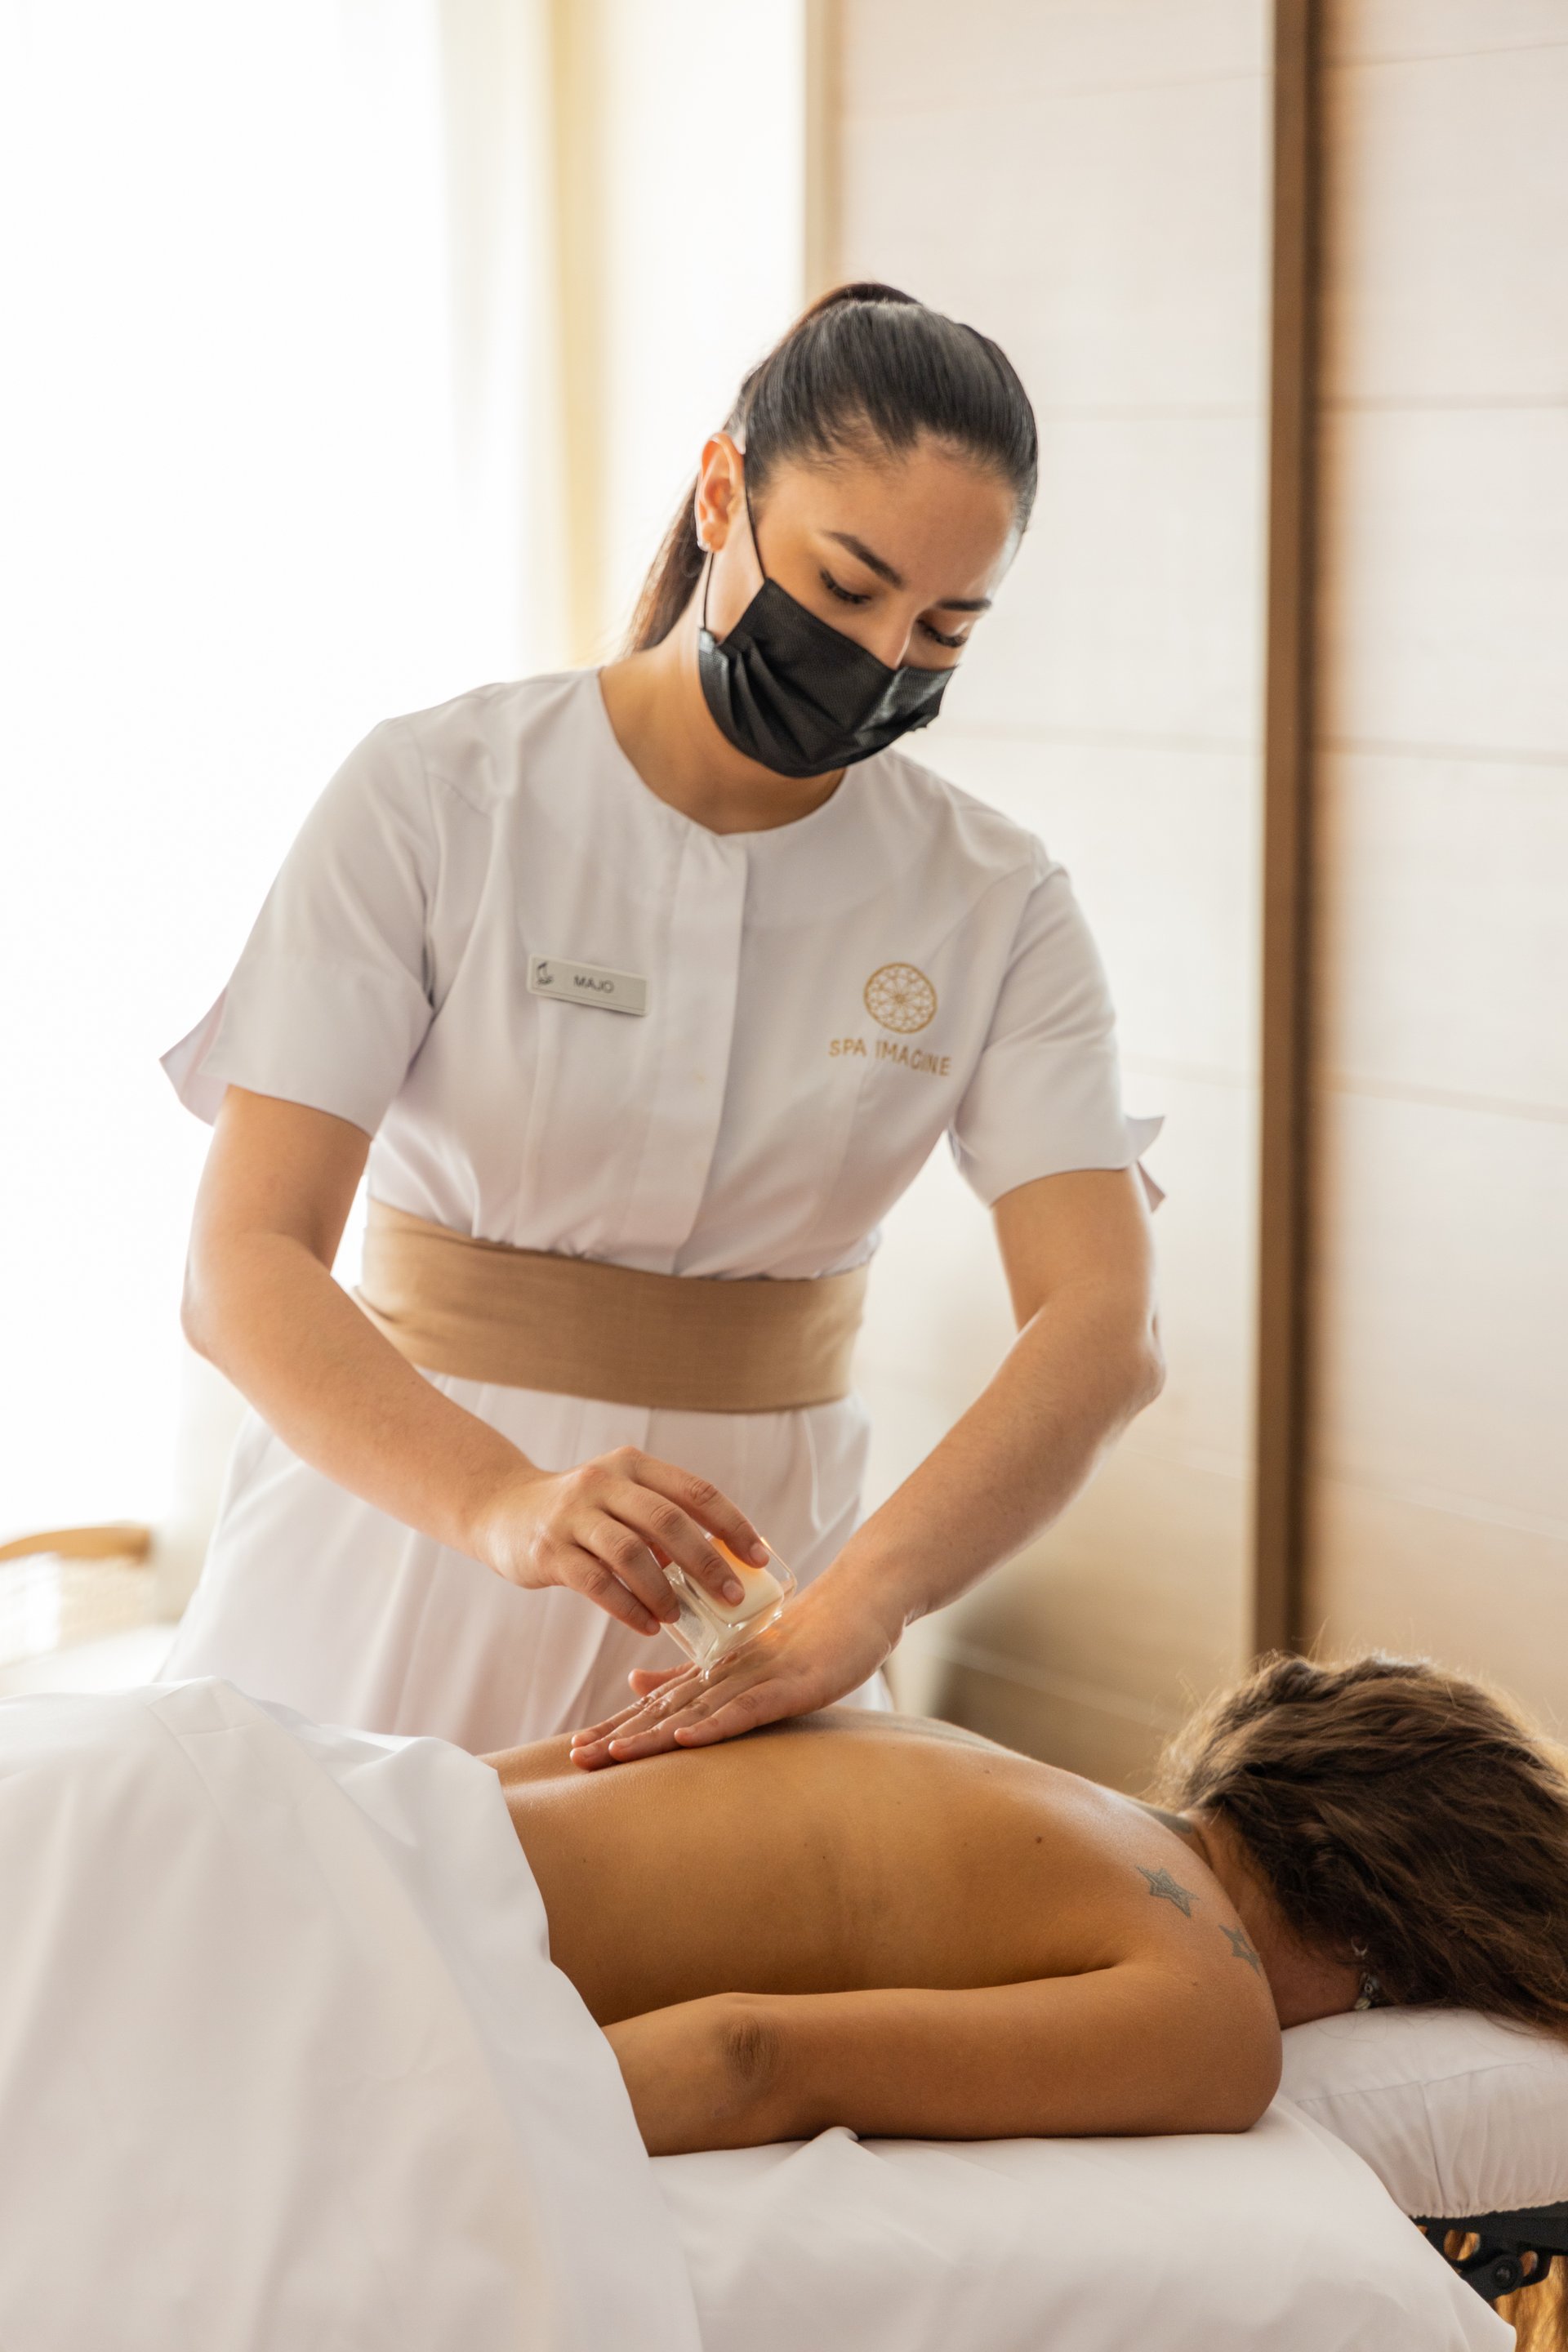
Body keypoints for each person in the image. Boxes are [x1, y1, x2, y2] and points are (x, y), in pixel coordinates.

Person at [162, 281, 1162, 1755]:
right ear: (721, 495)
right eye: (847, 589)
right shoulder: (439, 796)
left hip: (765, 1616)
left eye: (947, 625)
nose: (885, 658)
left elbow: (1105, 1327)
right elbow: (241, 1263)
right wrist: (499, 1501)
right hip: (392, 1559)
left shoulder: (994, 899)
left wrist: (868, 1601)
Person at [491, 1653, 1568, 2154]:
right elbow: (747, 2059)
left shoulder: (955, 1752)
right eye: (1381, 2000)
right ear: (1375, 1932)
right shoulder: (1213, 2001)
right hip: (424, 1959)